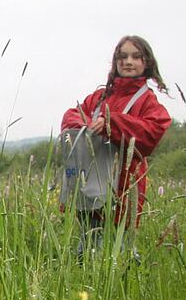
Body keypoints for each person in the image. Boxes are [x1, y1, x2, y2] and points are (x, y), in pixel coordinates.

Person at [60, 35, 171, 253]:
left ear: (146, 62)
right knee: (89, 243)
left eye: (135, 56)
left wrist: (113, 124)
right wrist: (90, 124)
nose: (128, 61)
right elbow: (70, 116)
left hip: (125, 185)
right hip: (90, 182)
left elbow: (153, 131)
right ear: (115, 62)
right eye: (122, 56)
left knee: (119, 250)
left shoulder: (147, 101)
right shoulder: (100, 97)